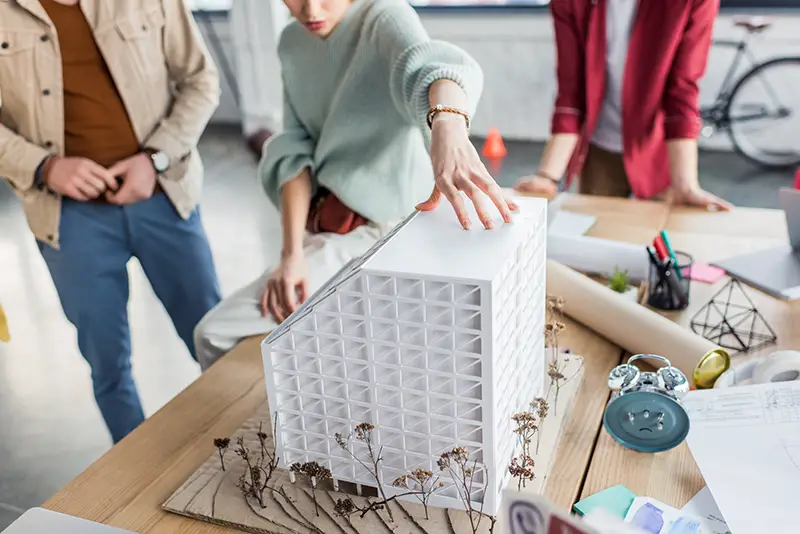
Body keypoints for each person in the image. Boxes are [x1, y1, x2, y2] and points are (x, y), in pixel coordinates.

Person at [194, 0, 514, 369]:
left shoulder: (383, 17)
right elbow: (295, 150)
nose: (311, 10)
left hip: (385, 232)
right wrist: (291, 253)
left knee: (214, 334)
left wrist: (448, 124)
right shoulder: (291, 42)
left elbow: (433, 70)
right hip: (327, 226)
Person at [0, 0, 222, 442]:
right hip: (68, 217)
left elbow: (201, 80)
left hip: (164, 198)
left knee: (215, 340)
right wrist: (45, 166)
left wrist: (154, 158)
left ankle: (262, 458)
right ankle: (132, 487)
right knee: (108, 366)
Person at [515, 0, 732, 211]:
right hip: (600, 146)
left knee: (660, 236)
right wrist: (548, 177)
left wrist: (685, 184)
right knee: (593, 234)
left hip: (659, 149)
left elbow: (682, 90)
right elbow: (571, 91)